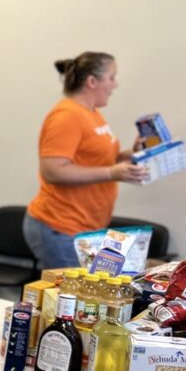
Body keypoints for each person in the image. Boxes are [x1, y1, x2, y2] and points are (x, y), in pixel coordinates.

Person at [23, 52, 148, 270]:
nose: (115, 85)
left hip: (83, 228)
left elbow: (95, 159)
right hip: (60, 228)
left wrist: (130, 155)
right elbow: (52, 171)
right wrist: (112, 173)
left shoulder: (92, 113)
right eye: (111, 77)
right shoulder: (67, 116)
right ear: (92, 81)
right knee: (70, 291)